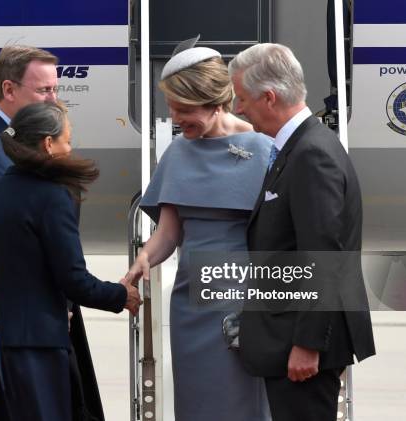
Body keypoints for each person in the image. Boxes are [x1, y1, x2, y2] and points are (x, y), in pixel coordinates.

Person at [125, 37, 272, 421]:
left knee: (244, 400)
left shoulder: (263, 148)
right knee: (198, 402)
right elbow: (170, 233)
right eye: (171, 108)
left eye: (183, 109)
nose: (175, 118)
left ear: (215, 102)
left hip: (244, 295)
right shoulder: (177, 152)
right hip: (193, 304)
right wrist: (144, 259)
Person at [228, 43, 376, 421]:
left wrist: (308, 344)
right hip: (290, 334)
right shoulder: (299, 147)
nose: (238, 110)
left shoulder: (311, 154)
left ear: (269, 97)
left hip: (302, 341)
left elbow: (323, 254)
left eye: (242, 99)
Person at [0, 102, 141, 421]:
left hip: (0, 342)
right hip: (39, 344)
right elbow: (73, 280)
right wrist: (122, 295)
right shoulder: (51, 197)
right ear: (48, 144)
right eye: (67, 139)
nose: (70, 147)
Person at [0, 45, 59, 195]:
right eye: (44, 90)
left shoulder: (21, 140)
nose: (53, 100)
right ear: (9, 91)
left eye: (55, 90)